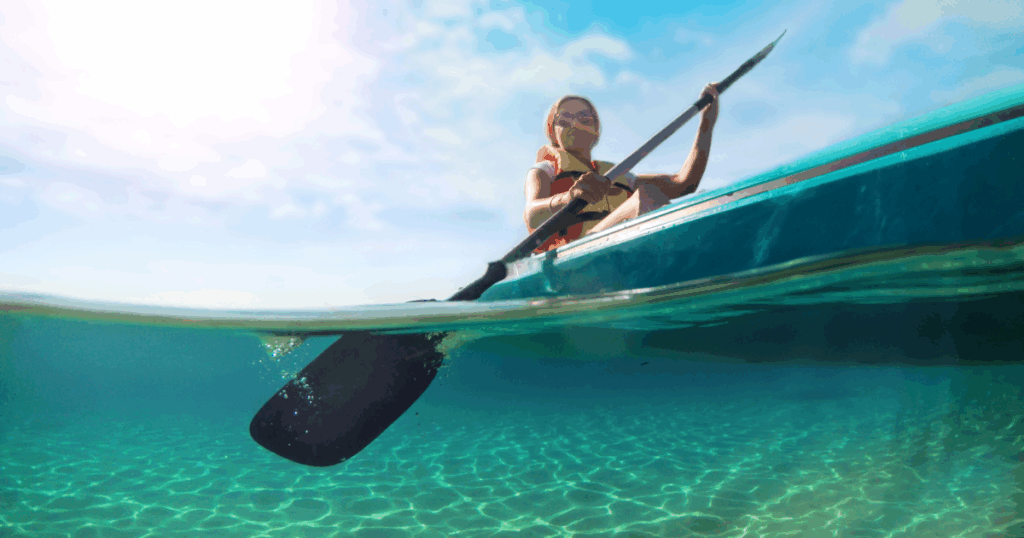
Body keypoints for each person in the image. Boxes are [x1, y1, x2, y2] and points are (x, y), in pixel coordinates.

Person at [524, 83, 720, 253]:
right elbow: (531, 215)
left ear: (596, 130)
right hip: (575, 253)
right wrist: (568, 198)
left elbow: (684, 183)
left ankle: (693, 241)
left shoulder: (619, 175)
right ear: (552, 131)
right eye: (564, 119)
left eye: (584, 118)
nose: (574, 124)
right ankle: (691, 246)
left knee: (656, 196)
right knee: (645, 196)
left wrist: (706, 123)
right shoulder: (545, 170)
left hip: (619, 243)